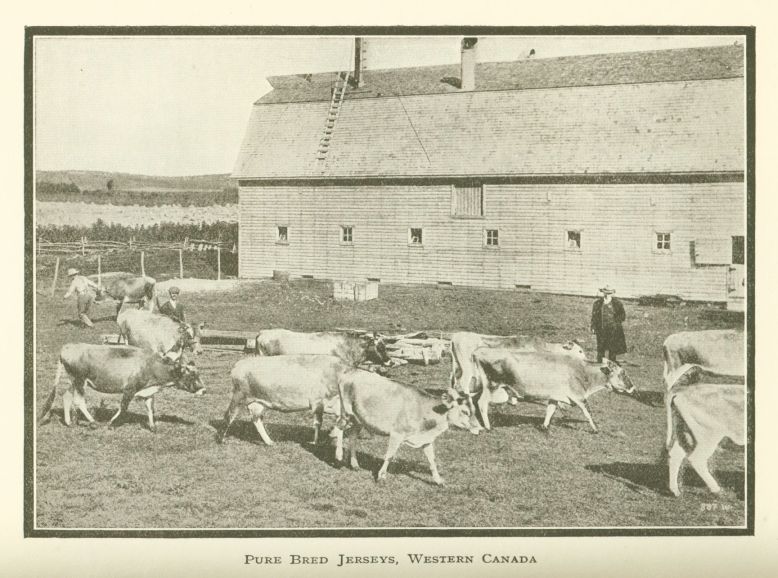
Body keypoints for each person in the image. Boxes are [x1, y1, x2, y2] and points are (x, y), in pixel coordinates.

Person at [590, 284, 627, 364]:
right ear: (603, 293)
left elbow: (622, 315)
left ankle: (611, 366)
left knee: (612, 349)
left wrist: (615, 322)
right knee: (600, 349)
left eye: (609, 293)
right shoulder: (597, 303)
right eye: (606, 293)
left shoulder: (617, 303)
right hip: (601, 329)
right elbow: (594, 316)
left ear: (612, 293)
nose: (607, 294)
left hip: (613, 330)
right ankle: (599, 365)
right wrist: (593, 327)